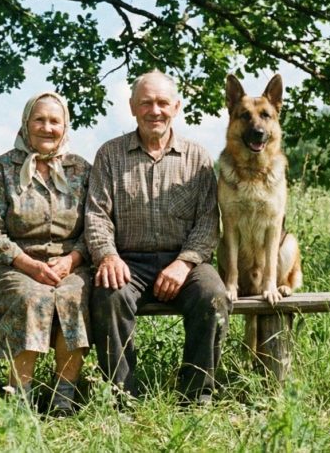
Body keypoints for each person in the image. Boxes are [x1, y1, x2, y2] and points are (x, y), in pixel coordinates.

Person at [85, 70, 230, 404]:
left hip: (185, 261)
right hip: (127, 261)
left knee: (214, 296)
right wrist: (107, 256)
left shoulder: (197, 158)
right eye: (146, 103)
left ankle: (196, 397)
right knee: (108, 295)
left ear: (176, 107)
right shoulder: (110, 155)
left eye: (163, 103)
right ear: (133, 107)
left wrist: (184, 263)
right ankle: (122, 398)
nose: (155, 110)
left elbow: (208, 222)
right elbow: (96, 215)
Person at [0, 91, 92, 414]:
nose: (47, 127)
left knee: (72, 298)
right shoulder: (2, 169)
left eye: (55, 121)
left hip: (70, 266)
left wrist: (71, 260)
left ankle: (62, 399)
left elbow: (94, 230)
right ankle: (19, 399)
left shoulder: (81, 170)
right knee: (34, 297)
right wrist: (30, 266)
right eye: (39, 119)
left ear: (65, 126)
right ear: (26, 123)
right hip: (13, 267)